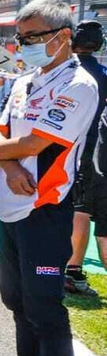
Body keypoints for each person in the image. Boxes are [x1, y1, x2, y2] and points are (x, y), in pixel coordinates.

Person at [0, 0, 98, 356]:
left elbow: (32, 145)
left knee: (45, 307)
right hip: (9, 203)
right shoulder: (24, 81)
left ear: (63, 37)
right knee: (17, 301)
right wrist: (3, 160)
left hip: (45, 207)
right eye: (19, 37)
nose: (21, 44)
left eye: (31, 37)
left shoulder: (79, 85)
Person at [66, 20, 107, 294]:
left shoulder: (63, 71)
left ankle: (70, 270)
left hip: (66, 148)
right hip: (96, 151)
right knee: (85, 210)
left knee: (78, 209)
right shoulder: (103, 73)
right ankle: (71, 272)